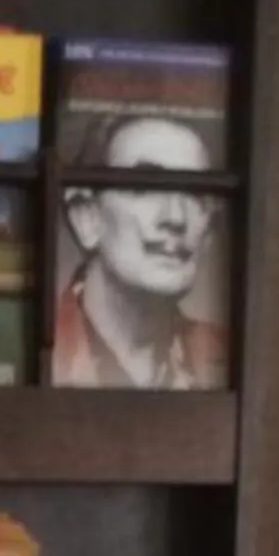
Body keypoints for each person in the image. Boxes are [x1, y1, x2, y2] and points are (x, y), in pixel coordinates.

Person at [52, 116, 228, 391]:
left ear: (208, 234)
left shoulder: (230, 359)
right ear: (86, 216)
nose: (176, 217)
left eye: (196, 192)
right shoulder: (35, 351)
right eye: (147, 185)